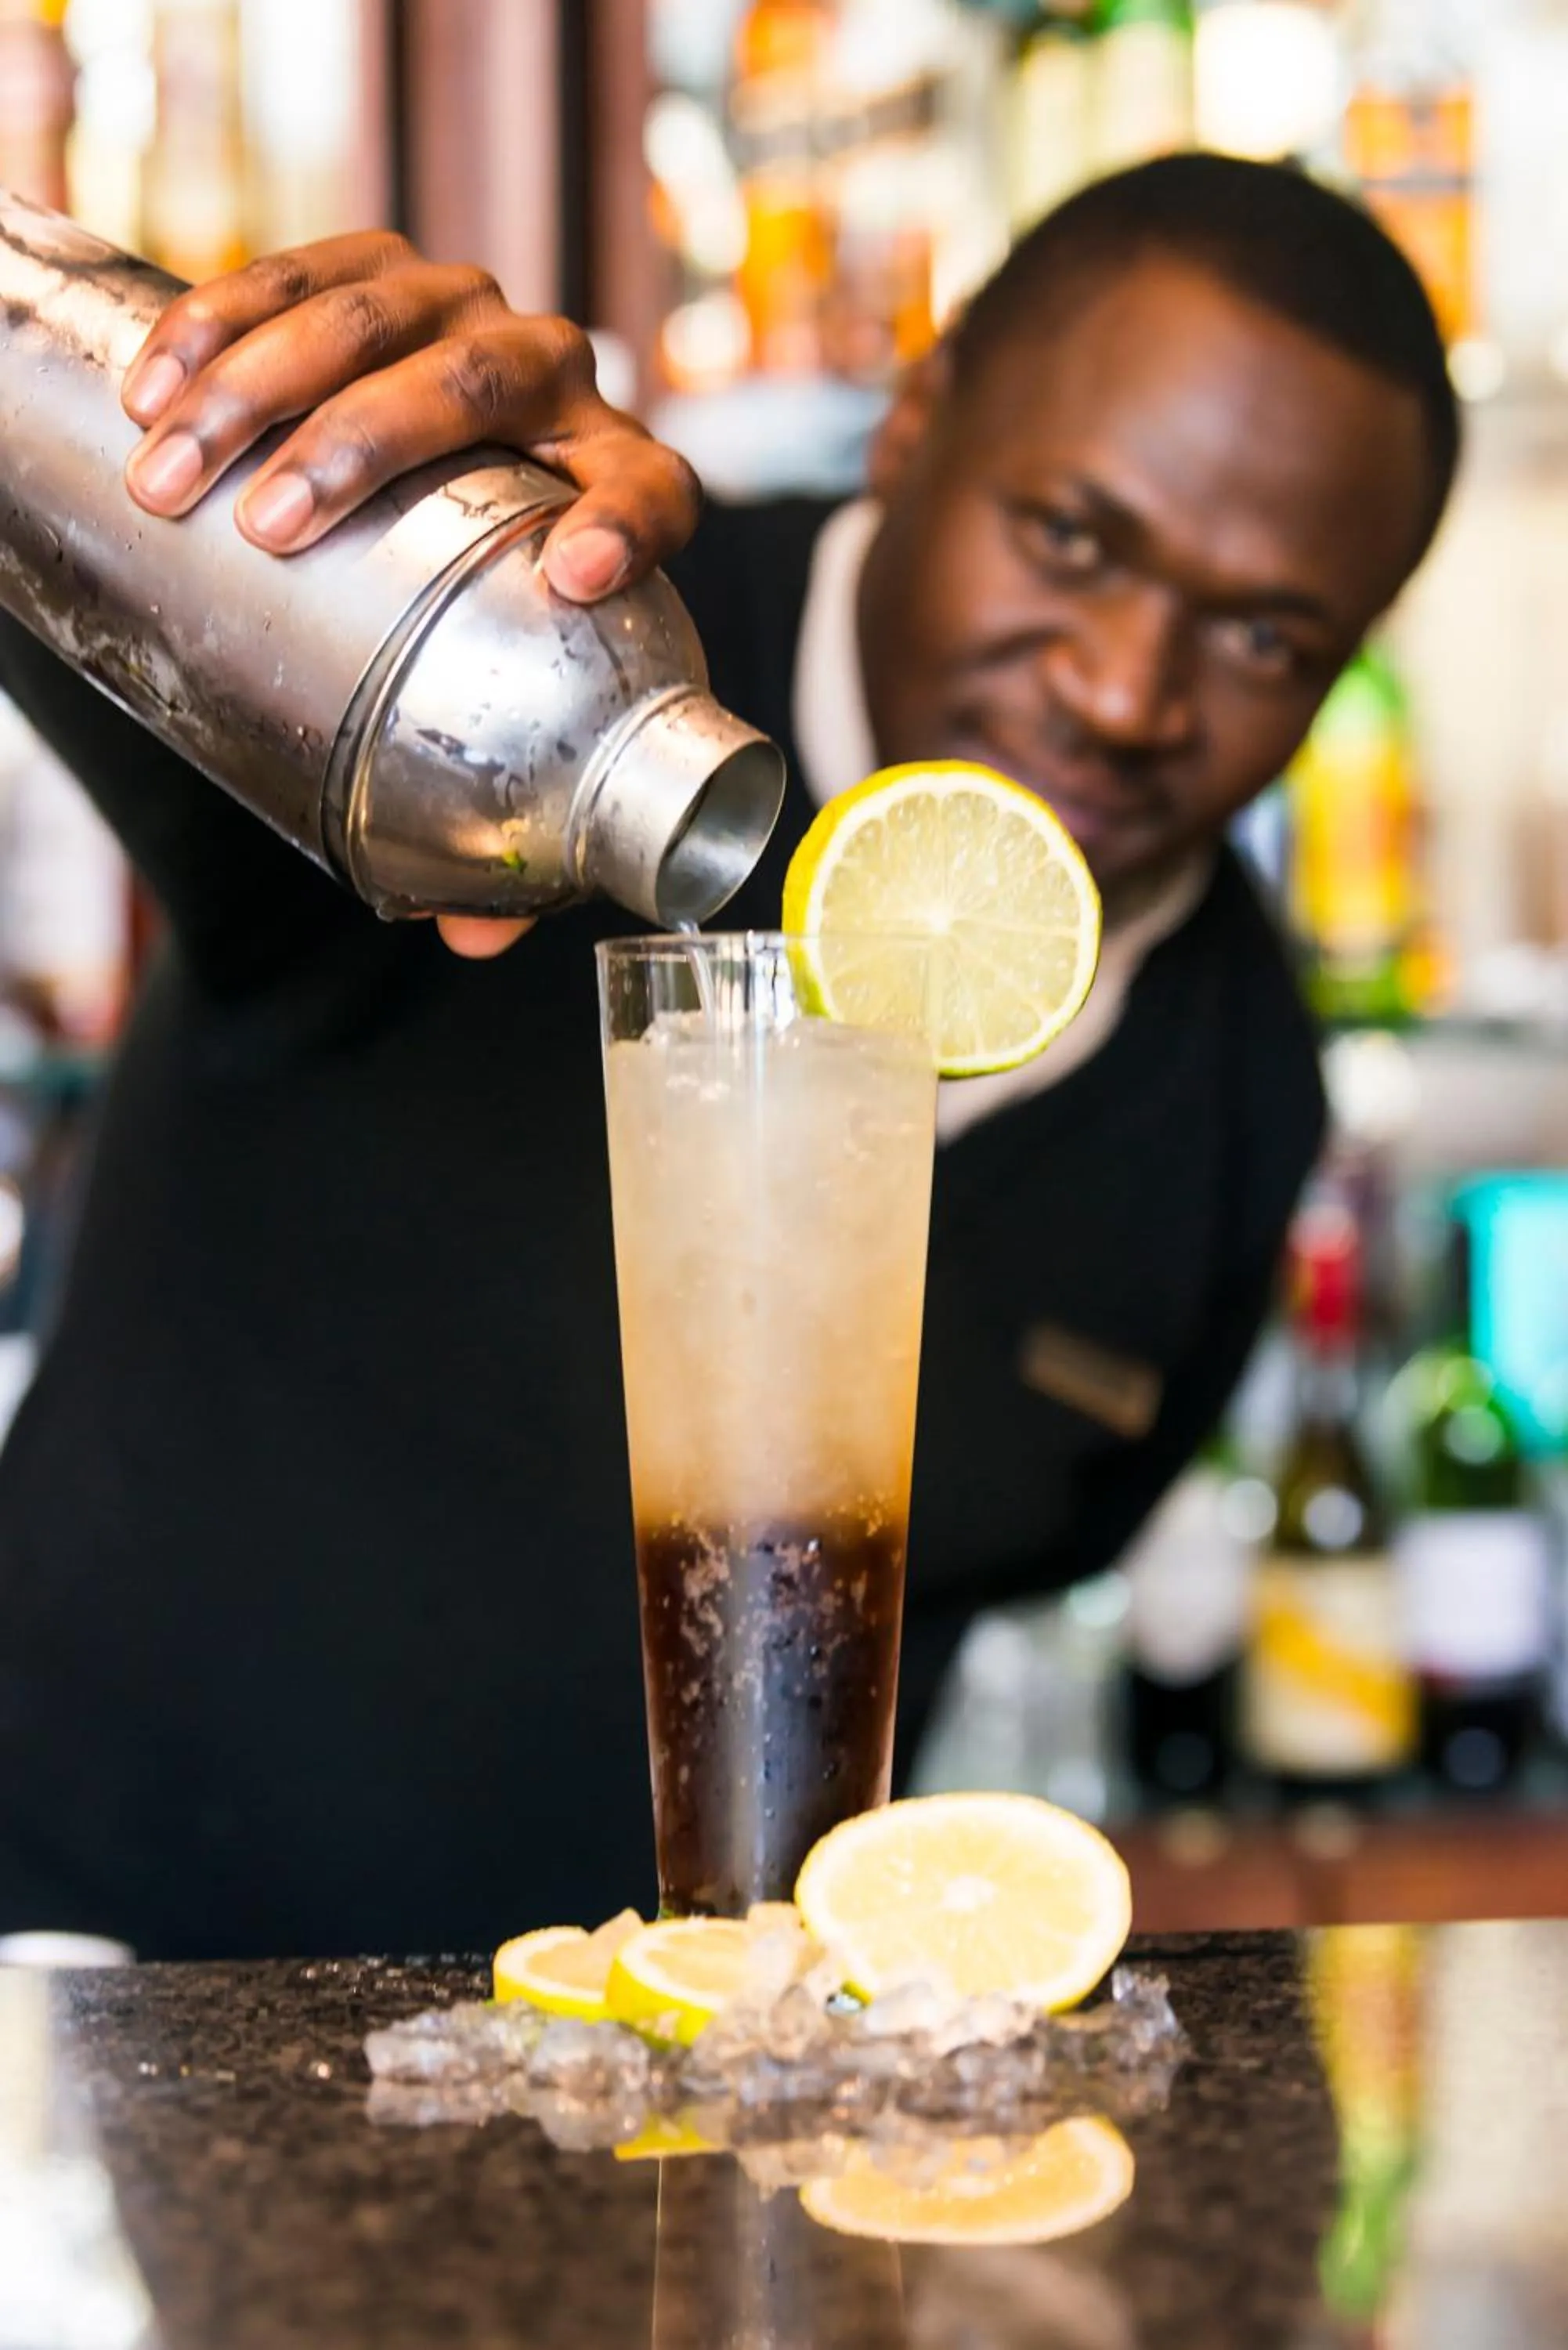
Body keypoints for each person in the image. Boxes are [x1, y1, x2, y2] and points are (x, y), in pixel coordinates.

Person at [0, 156, 1458, 1958]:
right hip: (105, 2013)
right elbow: (54, 525)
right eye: (1071, 538)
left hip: (691, 2105)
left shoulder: (1234, 1083)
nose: (1125, 691)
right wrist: (234, 433)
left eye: (1260, 637)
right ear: (913, 428)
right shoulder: (541, 621)